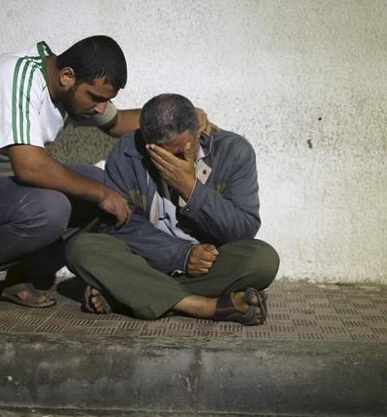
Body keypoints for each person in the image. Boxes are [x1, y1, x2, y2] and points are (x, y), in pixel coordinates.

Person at [0, 36, 198, 322]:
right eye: (96, 98)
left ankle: (10, 272)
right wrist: (100, 194)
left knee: (101, 182)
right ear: (67, 76)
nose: (101, 108)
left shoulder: (68, 91)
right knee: (55, 206)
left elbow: (118, 123)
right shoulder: (14, 76)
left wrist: (186, 119)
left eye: (106, 100)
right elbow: (29, 167)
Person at [65, 94, 279, 325]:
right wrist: (181, 255)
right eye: (159, 154)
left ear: (198, 130)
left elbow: (243, 229)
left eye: (178, 152)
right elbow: (118, 226)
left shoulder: (234, 151)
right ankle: (203, 306)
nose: (170, 161)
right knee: (80, 248)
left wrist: (191, 189)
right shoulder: (126, 152)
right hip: (147, 259)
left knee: (262, 260)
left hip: (206, 264)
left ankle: (126, 293)